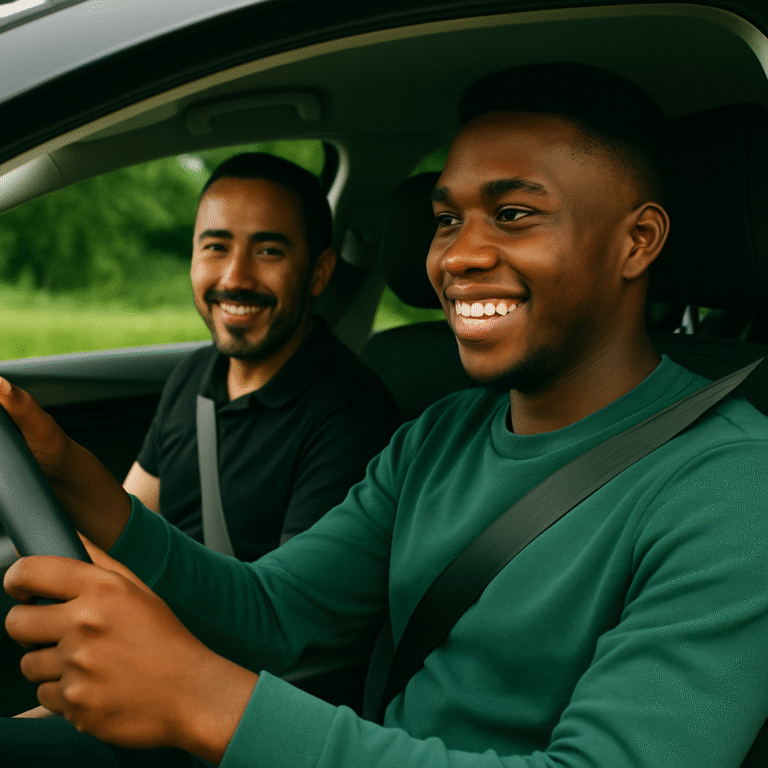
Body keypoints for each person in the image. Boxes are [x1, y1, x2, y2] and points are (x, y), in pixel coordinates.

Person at [2, 62, 768, 767]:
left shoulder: (734, 487)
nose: (457, 256)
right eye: (445, 219)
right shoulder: (440, 436)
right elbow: (271, 612)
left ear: (637, 241)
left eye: (511, 214)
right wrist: (72, 476)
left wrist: (200, 699)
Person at [123, 152, 399, 560]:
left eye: (268, 251)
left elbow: (289, 609)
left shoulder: (350, 414)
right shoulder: (194, 374)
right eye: (216, 247)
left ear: (319, 273)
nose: (235, 278)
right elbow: (126, 523)